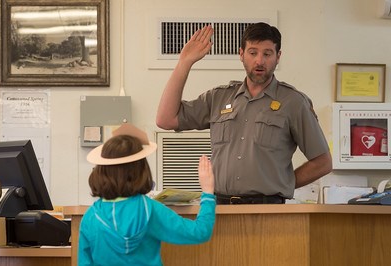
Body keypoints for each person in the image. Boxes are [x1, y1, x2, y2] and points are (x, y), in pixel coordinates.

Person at [156, 22, 332, 204]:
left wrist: (284, 183)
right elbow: (166, 119)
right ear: (241, 54)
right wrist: (184, 62)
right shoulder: (219, 97)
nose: (260, 61)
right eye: (253, 52)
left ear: (278, 57)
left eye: (267, 53)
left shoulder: (293, 102)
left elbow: (323, 162)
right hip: (220, 208)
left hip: (268, 209)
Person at [78, 123, 216, 266]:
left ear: (101, 170)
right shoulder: (150, 210)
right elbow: (200, 232)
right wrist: (207, 193)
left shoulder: (90, 217)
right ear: (141, 170)